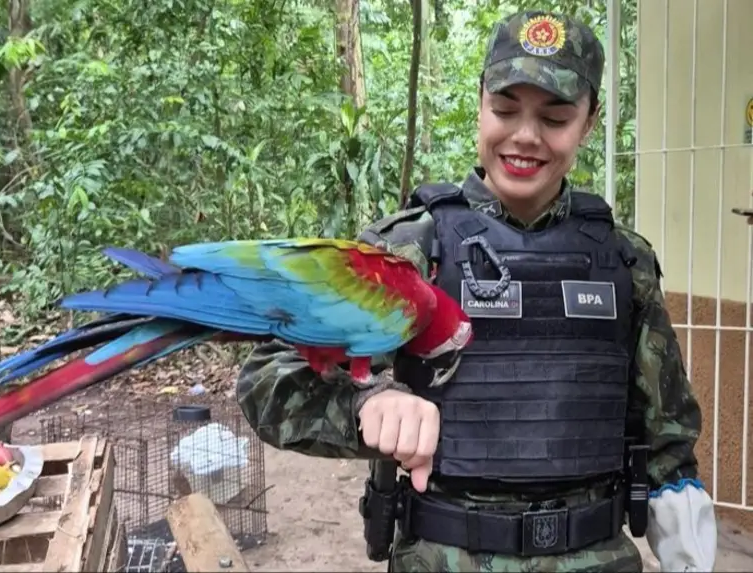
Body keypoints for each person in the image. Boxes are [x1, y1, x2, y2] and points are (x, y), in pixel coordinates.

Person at [236, 9, 717, 573]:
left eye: (555, 117)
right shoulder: (407, 252)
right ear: (479, 102)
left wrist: (687, 543)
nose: (525, 136)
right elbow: (267, 377)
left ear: (590, 122)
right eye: (505, 109)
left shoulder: (624, 260)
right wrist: (366, 404)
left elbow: (668, 442)